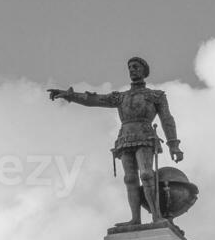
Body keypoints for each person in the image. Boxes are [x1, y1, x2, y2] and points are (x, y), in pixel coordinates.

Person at [48, 57, 183, 224]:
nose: (132, 70)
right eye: (130, 67)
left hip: (145, 135)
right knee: (130, 178)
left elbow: (167, 119)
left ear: (143, 71)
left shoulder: (155, 96)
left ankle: (157, 216)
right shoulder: (121, 97)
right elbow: (93, 100)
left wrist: (174, 145)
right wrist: (69, 95)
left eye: (135, 67)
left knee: (147, 175)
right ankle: (135, 219)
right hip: (125, 138)